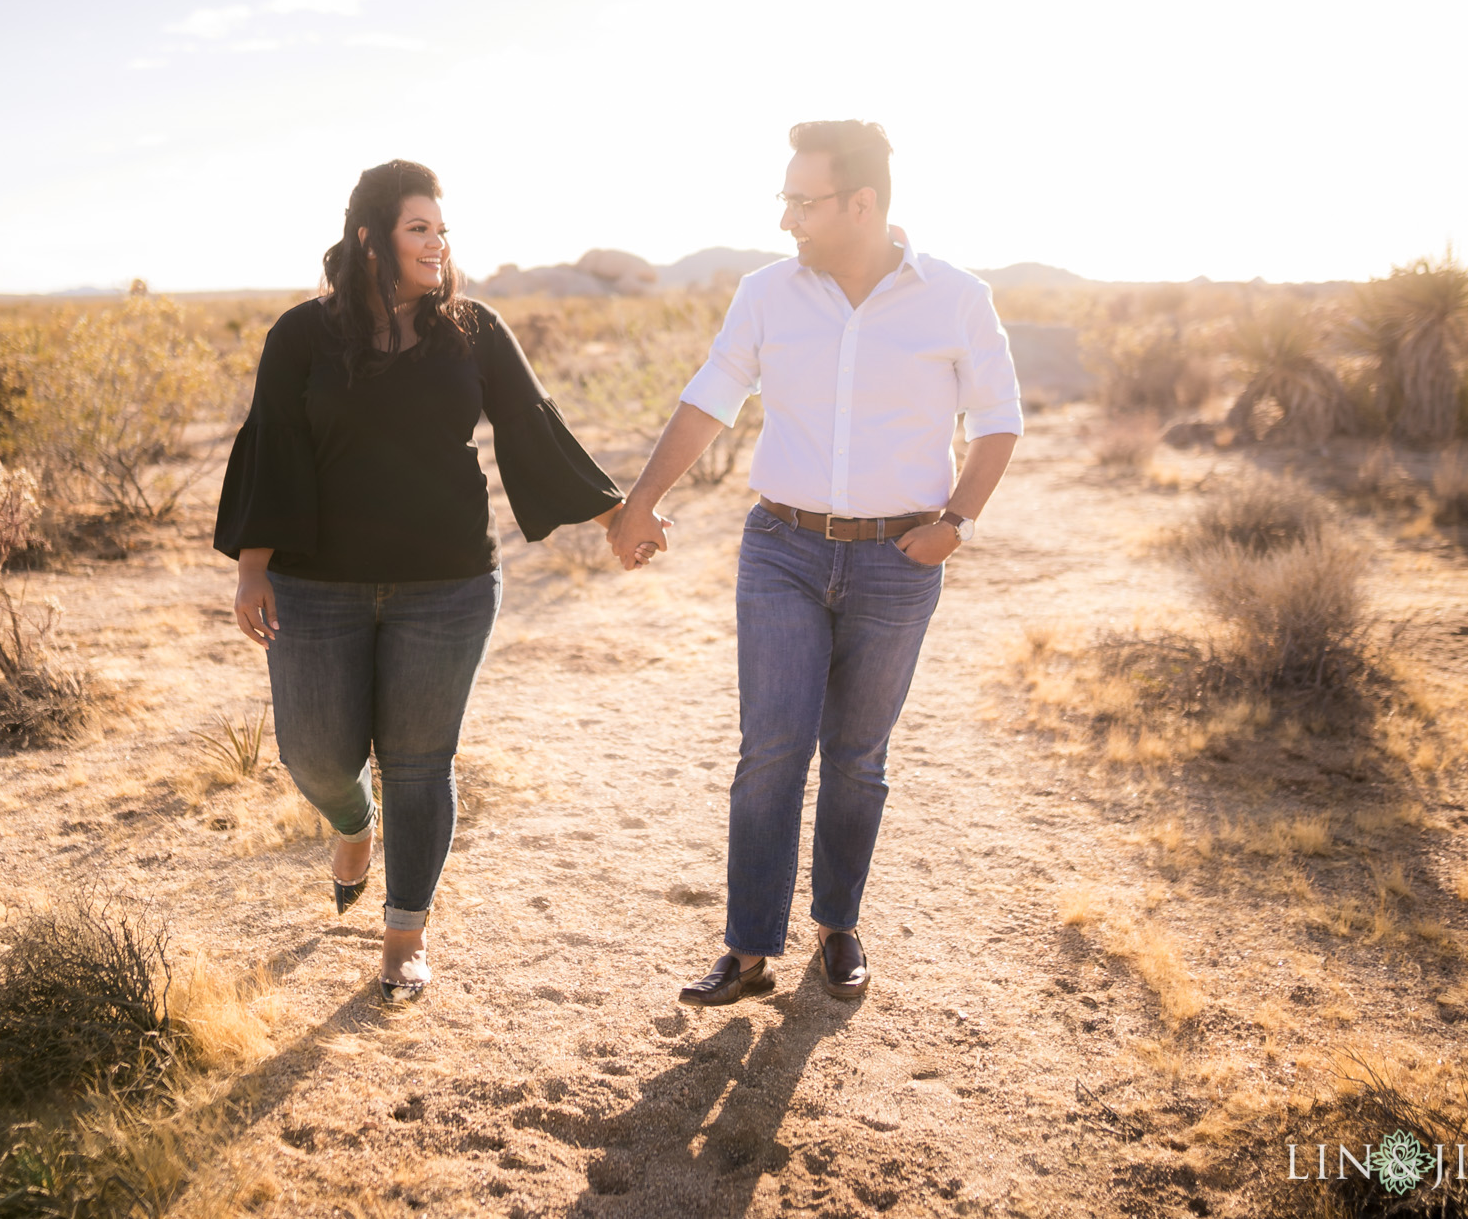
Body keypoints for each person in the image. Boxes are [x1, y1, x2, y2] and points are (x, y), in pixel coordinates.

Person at [609, 121, 1022, 1005]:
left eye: (804, 200)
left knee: (857, 757)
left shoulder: (956, 297)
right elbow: (711, 394)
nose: (788, 216)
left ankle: (838, 927)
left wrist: (956, 523)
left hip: (899, 561)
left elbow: (998, 420)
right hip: (783, 551)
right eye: (785, 198)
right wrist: (641, 499)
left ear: (862, 204)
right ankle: (748, 950)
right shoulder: (767, 292)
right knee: (771, 752)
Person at [215, 159, 629, 1004]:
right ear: (371, 237)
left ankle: (404, 934)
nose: (437, 243)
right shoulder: (302, 335)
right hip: (317, 586)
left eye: (441, 229)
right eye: (418, 228)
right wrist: (253, 568)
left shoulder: (471, 329)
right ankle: (350, 821)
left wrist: (616, 516)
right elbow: (272, 444)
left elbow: (531, 425)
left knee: (418, 760)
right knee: (317, 755)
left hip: (447, 586)